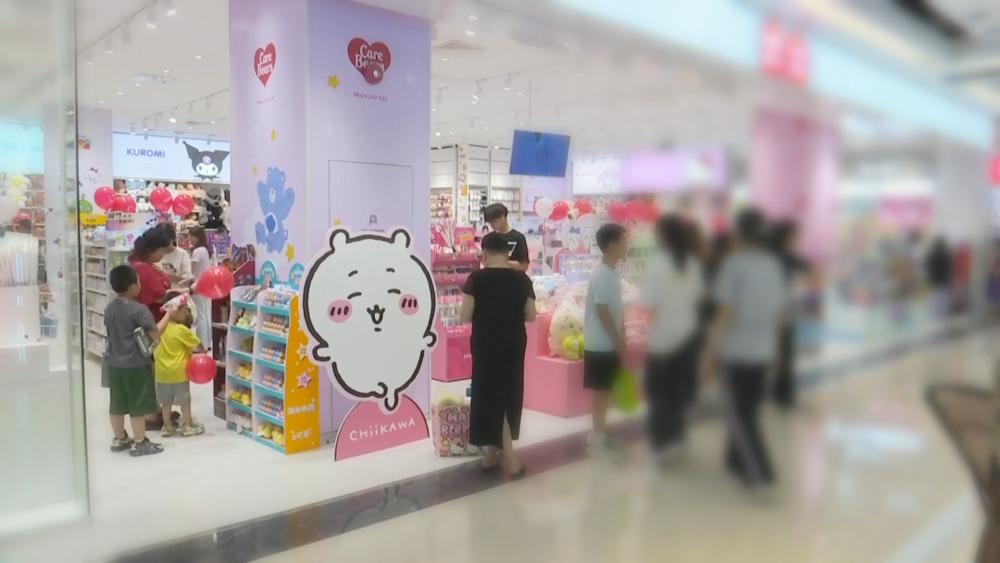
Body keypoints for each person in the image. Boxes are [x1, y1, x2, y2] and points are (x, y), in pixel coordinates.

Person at [702, 209, 787, 488]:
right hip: (763, 349)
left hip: (736, 351)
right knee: (748, 409)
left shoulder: (734, 265)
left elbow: (725, 311)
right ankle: (735, 460)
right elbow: (779, 314)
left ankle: (760, 473)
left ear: (739, 234)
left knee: (740, 414)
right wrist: (777, 351)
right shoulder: (772, 265)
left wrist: (710, 354)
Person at [460, 232, 537, 478]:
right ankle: (491, 455)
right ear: (507, 254)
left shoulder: (476, 279)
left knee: (490, 396)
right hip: (514, 343)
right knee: (507, 393)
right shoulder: (522, 280)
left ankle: (511, 459)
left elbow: (464, 315)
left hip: (486, 344)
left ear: (484, 254)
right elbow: (531, 315)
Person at [639, 215, 703, 465]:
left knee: (659, 394)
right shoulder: (692, 264)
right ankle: (677, 438)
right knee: (678, 391)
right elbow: (698, 299)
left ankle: (662, 443)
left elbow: (649, 304)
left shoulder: (657, 265)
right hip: (688, 337)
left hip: (662, 340)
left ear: (663, 236)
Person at [104, 264, 171, 457]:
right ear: (133, 286)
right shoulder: (139, 310)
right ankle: (139, 442)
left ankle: (119, 438)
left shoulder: (109, 308)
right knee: (138, 404)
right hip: (136, 364)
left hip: (113, 363)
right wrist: (169, 314)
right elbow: (155, 334)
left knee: (116, 403)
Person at [583, 223, 628, 457]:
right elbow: (602, 310)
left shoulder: (611, 272)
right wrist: (617, 338)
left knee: (605, 390)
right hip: (600, 344)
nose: (626, 245)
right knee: (601, 392)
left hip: (607, 343)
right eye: (624, 241)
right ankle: (597, 438)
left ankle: (599, 432)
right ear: (612, 245)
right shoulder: (602, 275)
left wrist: (623, 331)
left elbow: (614, 308)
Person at [769, 220, 809, 409]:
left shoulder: (769, 255)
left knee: (776, 351)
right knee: (785, 351)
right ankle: (783, 393)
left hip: (771, 309)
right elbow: (809, 271)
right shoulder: (788, 257)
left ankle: (778, 390)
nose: (798, 239)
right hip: (783, 309)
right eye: (795, 236)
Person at [154, 295, 206, 438]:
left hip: (161, 373)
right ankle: (187, 425)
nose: (187, 312)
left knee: (166, 402)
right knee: (185, 401)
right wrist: (204, 352)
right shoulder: (181, 330)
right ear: (175, 310)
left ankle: (167, 426)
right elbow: (198, 345)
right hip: (179, 373)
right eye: (185, 309)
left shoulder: (159, 328)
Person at [130, 226, 188, 322]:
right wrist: (189, 290)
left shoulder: (147, 264)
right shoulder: (143, 267)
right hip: (153, 320)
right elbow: (160, 297)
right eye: (162, 251)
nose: (163, 255)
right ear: (152, 250)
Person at [483, 203, 530, 271]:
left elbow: (524, 266)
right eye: (490, 222)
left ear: (503, 217)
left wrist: (500, 262)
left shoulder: (518, 238)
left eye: (494, 221)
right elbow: (485, 263)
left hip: (513, 276)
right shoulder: (488, 239)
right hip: (492, 276)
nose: (492, 225)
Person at [188, 227, 213, 351]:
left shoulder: (197, 251)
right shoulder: (205, 250)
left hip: (197, 285)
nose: (189, 239)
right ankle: (207, 343)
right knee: (205, 315)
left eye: (191, 236)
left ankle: (201, 344)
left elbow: (191, 270)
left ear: (197, 237)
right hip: (205, 285)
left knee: (199, 315)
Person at [925, 236, 953, 319]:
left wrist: (930, 277)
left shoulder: (932, 254)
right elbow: (949, 267)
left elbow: (928, 266)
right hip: (944, 278)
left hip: (935, 279)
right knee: (944, 297)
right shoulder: (946, 255)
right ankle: (942, 314)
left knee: (936, 295)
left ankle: (936, 313)